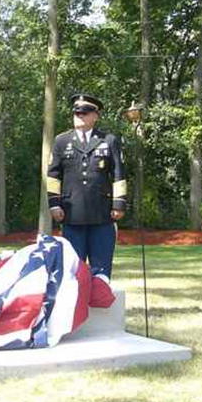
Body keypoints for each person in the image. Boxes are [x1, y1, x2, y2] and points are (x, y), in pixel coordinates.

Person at [47, 94, 127, 283]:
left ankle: (101, 297)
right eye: (77, 113)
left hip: (102, 214)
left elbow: (118, 174)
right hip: (72, 214)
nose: (80, 116)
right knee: (73, 271)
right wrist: (54, 204)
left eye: (85, 112)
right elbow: (53, 176)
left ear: (95, 116)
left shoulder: (109, 140)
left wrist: (119, 204)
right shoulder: (61, 141)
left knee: (101, 270)